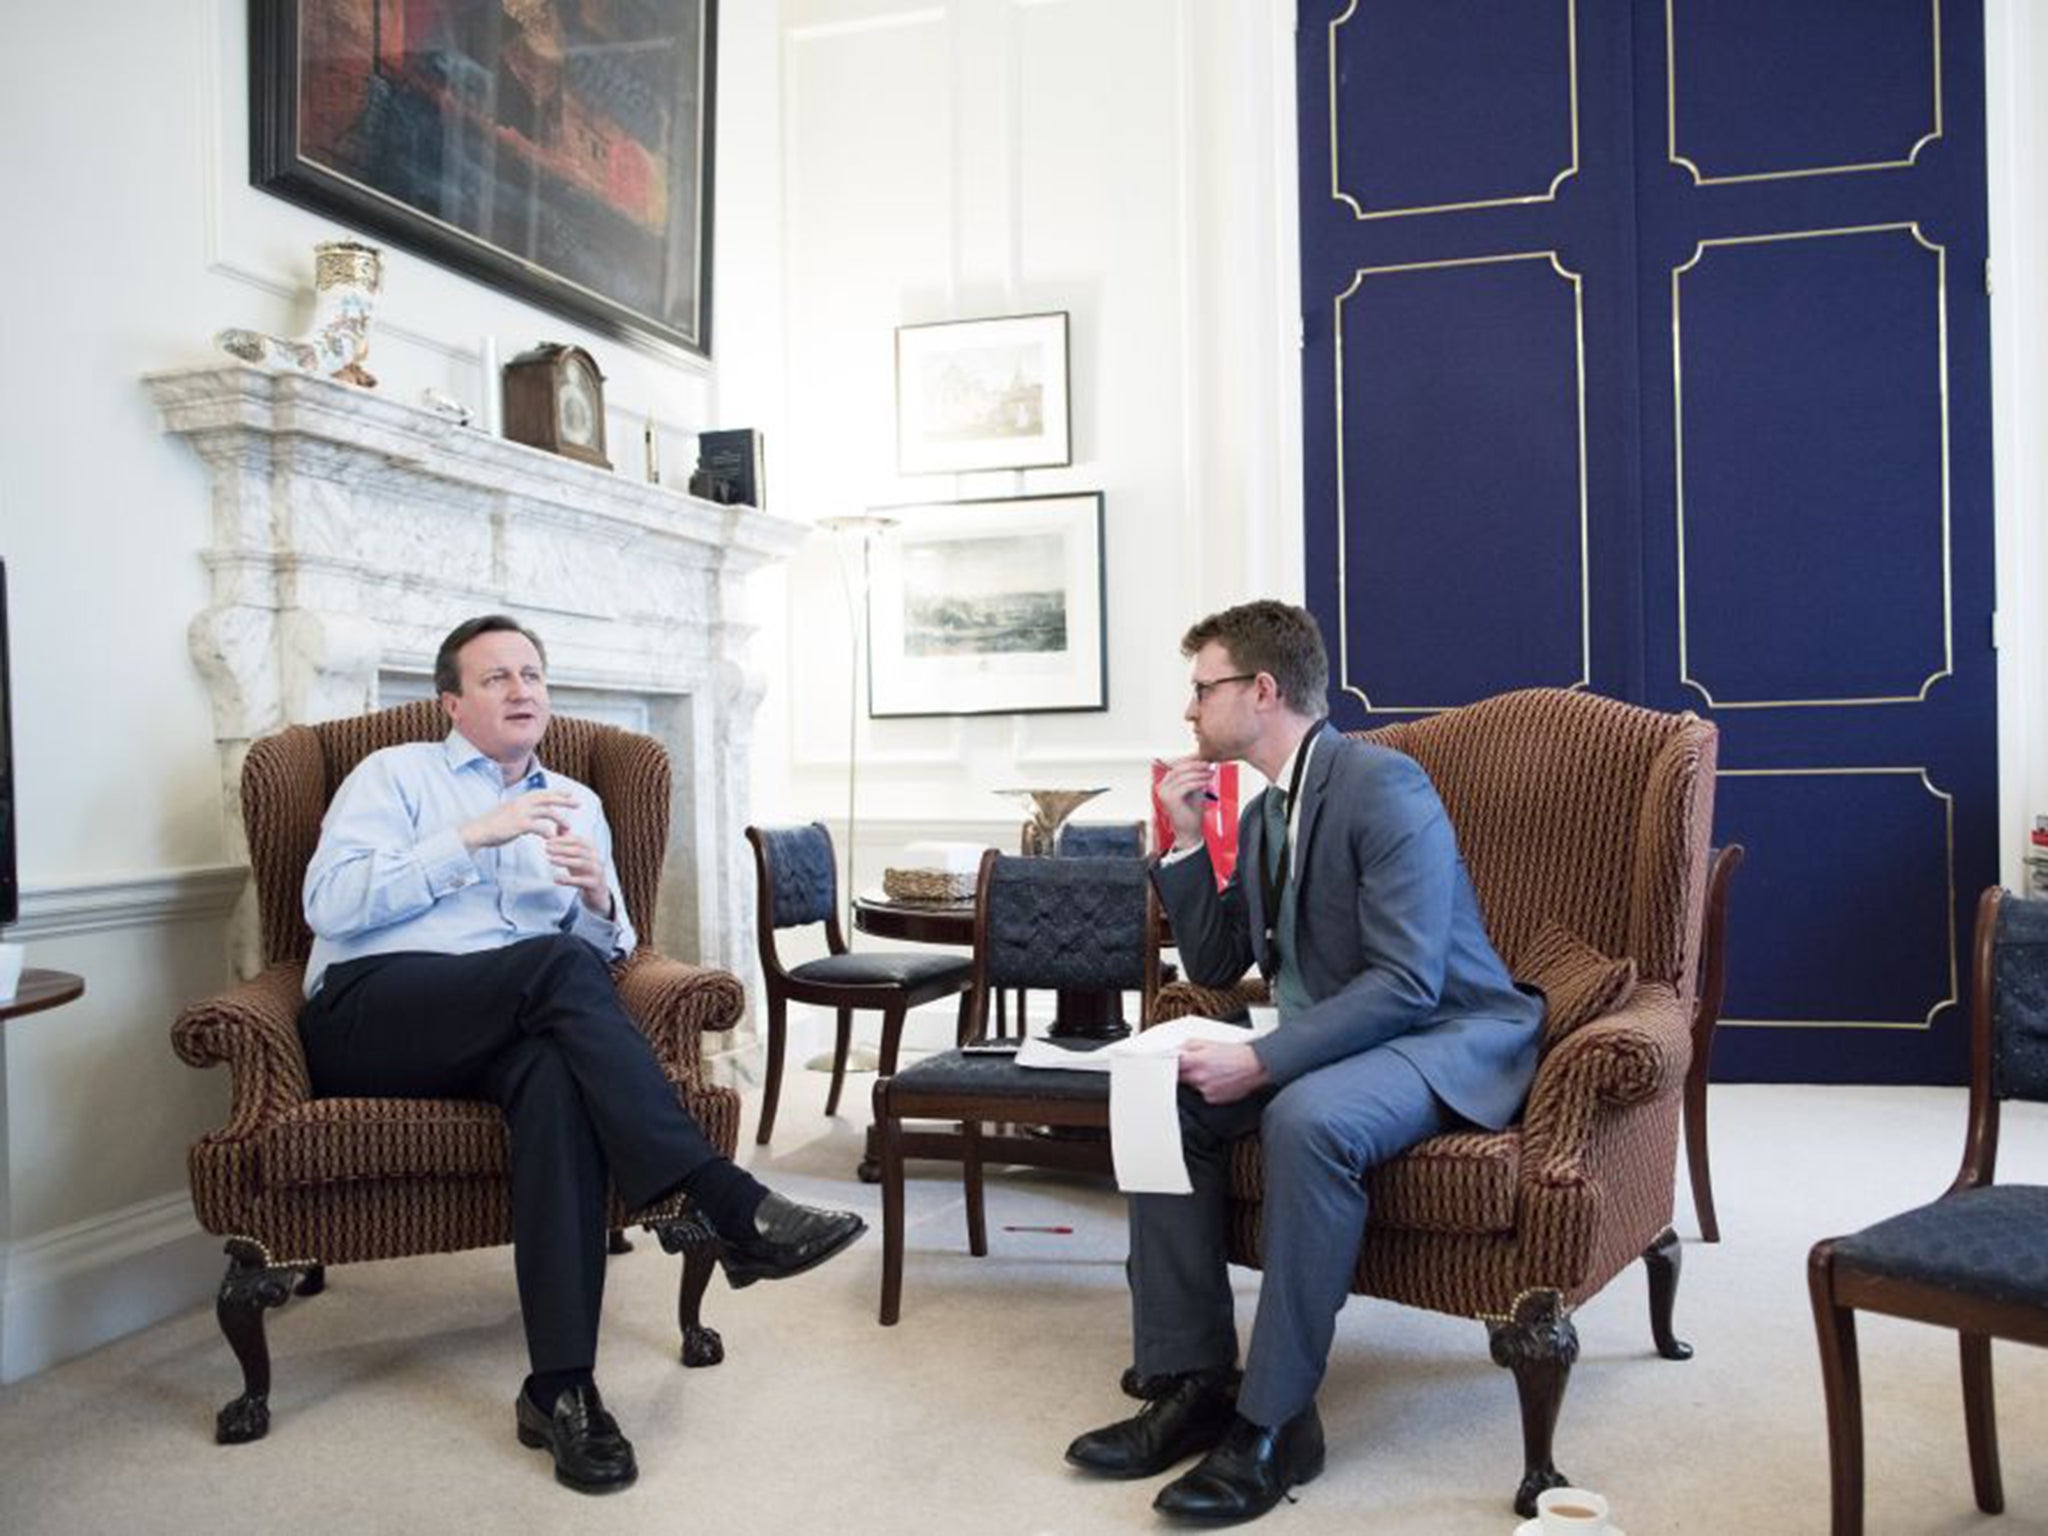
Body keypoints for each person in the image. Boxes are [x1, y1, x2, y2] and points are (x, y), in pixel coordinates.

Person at [296, 614, 866, 1496]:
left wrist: (600, 897)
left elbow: (605, 953)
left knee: (557, 1078)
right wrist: (473, 837)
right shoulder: (394, 776)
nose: (522, 689)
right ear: (450, 702)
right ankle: (719, 1195)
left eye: (532, 674)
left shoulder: (581, 802)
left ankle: (561, 1390)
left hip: (506, 1026)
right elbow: (329, 906)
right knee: (555, 970)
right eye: (496, 678)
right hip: (372, 1015)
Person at [1065, 600, 1542, 1523]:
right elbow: (1215, 966)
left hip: (1442, 1034)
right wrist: (1184, 840)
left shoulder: (1382, 786)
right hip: (1348, 1035)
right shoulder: (1273, 808)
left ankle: (1278, 1421)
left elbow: (1409, 981)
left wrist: (1269, 1060)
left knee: (1306, 1117)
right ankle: (1194, 1378)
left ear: (1264, 689)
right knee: (1160, 1098)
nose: (1190, 710)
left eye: (1203, 688)